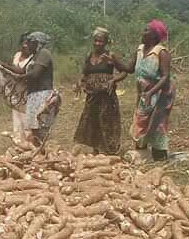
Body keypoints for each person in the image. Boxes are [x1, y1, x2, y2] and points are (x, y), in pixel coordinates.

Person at [123, 20, 175, 161]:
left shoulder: (161, 52)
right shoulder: (140, 50)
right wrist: (114, 60)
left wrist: (151, 93)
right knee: (141, 120)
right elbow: (129, 68)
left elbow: (165, 77)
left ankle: (159, 157)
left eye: (146, 30)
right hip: (144, 93)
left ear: (154, 35)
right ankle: (142, 153)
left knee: (157, 123)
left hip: (160, 93)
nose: (142, 32)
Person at [74, 27, 128, 155]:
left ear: (106, 42)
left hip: (106, 97)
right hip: (92, 96)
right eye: (96, 40)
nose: (98, 43)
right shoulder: (89, 56)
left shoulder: (110, 55)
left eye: (101, 41)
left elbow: (124, 71)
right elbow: (85, 73)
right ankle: (96, 152)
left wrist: (113, 80)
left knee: (107, 123)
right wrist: (79, 82)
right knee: (92, 123)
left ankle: (109, 152)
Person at [23, 32, 60, 145]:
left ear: (37, 43)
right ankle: (38, 151)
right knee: (34, 128)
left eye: (30, 42)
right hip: (33, 95)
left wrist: (19, 77)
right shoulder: (33, 56)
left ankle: (43, 150)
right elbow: (21, 71)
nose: (27, 45)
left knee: (42, 127)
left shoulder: (44, 53)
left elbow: (35, 74)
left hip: (43, 95)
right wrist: (4, 66)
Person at [0, 32, 32, 143]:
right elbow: (12, 70)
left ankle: (29, 142)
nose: (26, 45)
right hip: (14, 90)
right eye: (25, 42)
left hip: (26, 91)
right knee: (16, 115)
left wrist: (4, 65)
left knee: (26, 117)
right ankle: (18, 141)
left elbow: (21, 71)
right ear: (21, 43)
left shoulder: (32, 58)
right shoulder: (17, 55)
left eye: (29, 42)